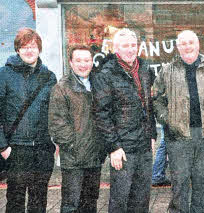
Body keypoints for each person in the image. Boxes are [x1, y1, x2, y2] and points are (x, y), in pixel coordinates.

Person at [153, 30, 204, 213]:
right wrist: (168, 119)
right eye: (183, 43)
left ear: (198, 44)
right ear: (178, 47)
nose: (187, 47)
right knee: (179, 182)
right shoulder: (168, 70)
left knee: (203, 180)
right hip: (178, 136)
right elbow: (156, 98)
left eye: (191, 42)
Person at [91, 28, 157, 213]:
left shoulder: (144, 69)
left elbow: (148, 105)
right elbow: (101, 114)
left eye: (133, 45)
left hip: (143, 145)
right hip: (122, 148)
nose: (130, 49)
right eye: (125, 45)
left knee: (142, 199)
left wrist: (152, 135)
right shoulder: (106, 73)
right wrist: (113, 147)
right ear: (116, 48)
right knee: (120, 200)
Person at [0, 28, 57, 212]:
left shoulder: (49, 77)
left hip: (42, 149)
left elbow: (55, 114)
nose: (29, 50)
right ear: (17, 50)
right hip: (16, 149)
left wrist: (54, 143)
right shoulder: (4, 75)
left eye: (32, 46)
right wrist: (3, 147)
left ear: (39, 48)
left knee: (39, 201)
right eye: (24, 47)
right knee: (15, 202)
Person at [48, 44, 106, 213]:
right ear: (71, 63)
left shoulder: (98, 84)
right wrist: (74, 146)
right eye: (78, 60)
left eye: (87, 60)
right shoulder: (62, 88)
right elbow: (57, 124)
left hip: (94, 157)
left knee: (90, 203)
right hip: (74, 159)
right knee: (71, 205)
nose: (83, 64)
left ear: (92, 62)